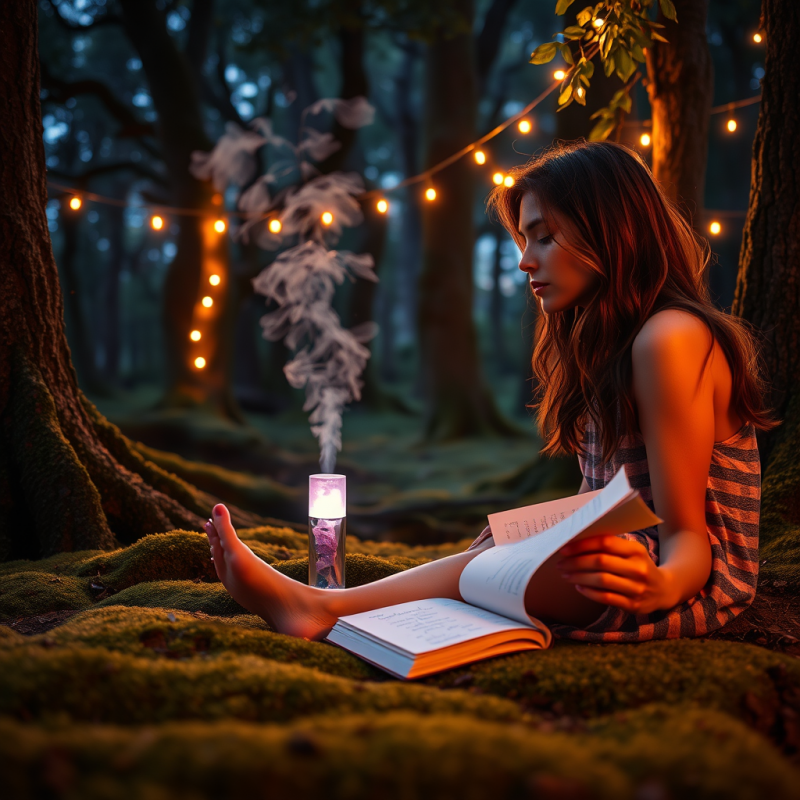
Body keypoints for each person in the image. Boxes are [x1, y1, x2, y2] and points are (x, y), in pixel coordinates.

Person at [205, 139, 778, 644]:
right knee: (499, 548)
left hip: (681, 578)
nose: (525, 260)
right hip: (621, 558)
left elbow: (688, 538)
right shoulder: (607, 344)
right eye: (523, 240)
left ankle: (323, 607)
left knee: (537, 561)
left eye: (545, 237)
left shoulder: (671, 338)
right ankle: (337, 606)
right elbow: (599, 502)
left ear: (613, 232)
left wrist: (655, 585)